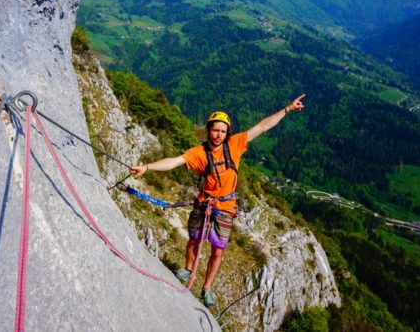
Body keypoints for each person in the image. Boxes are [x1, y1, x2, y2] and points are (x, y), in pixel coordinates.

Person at [130, 94, 306, 308]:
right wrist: (147, 167)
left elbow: (262, 127)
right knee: (194, 240)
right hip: (204, 203)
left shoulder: (235, 144)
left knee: (218, 251)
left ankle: (207, 288)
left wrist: (287, 109)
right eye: (215, 130)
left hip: (225, 208)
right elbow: (175, 161)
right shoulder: (199, 153)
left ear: (227, 133)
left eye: (222, 131)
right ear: (208, 130)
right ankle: (187, 271)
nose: (218, 135)